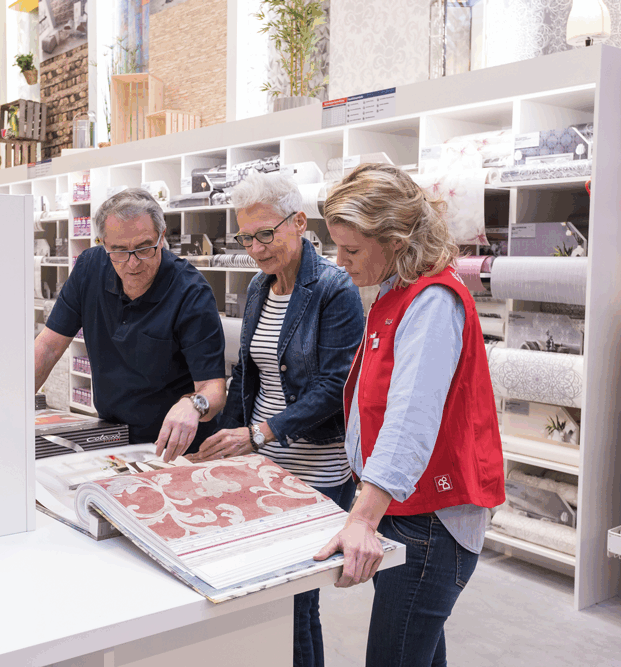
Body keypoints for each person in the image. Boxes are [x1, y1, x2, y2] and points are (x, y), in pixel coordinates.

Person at [315, 163, 505, 667]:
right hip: (408, 512)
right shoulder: (396, 293)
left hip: (432, 521)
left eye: (351, 250)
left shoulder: (432, 302)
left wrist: (361, 518)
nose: (340, 261)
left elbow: (411, 418)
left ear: (397, 240)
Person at [192, 171, 365, 667]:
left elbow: (335, 388)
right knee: (272, 598)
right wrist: (236, 437)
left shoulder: (334, 289)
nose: (256, 248)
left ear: (299, 222)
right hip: (267, 462)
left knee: (295, 600)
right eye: (246, 237)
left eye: (266, 234)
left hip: (317, 470)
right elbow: (251, 372)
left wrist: (260, 432)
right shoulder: (257, 288)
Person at [34, 188, 227, 462]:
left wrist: (193, 405)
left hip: (178, 449)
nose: (133, 263)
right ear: (103, 244)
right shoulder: (90, 268)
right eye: (119, 251)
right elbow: (48, 347)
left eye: (144, 248)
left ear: (162, 239)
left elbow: (214, 389)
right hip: (111, 437)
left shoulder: (191, 293)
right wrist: (11, 403)